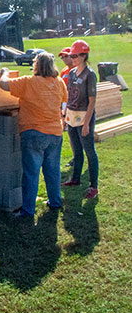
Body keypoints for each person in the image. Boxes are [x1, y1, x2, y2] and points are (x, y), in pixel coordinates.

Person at [0, 51, 67, 218]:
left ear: (36, 65)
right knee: (53, 171)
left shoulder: (28, 82)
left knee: (31, 173)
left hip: (33, 132)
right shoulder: (59, 82)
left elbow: (4, 85)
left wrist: (4, 73)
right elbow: (63, 102)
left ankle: (28, 211)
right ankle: (55, 202)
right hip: (55, 133)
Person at [61, 39, 99, 200]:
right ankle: (75, 178)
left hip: (84, 117)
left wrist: (86, 124)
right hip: (71, 115)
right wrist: (64, 116)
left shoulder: (90, 75)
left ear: (84, 56)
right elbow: (69, 96)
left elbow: (92, 101)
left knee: (89, 151)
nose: (73, 58)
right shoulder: (71, 73)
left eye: (76, 55)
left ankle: (93, 185)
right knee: (76, 150)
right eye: (72, 55)